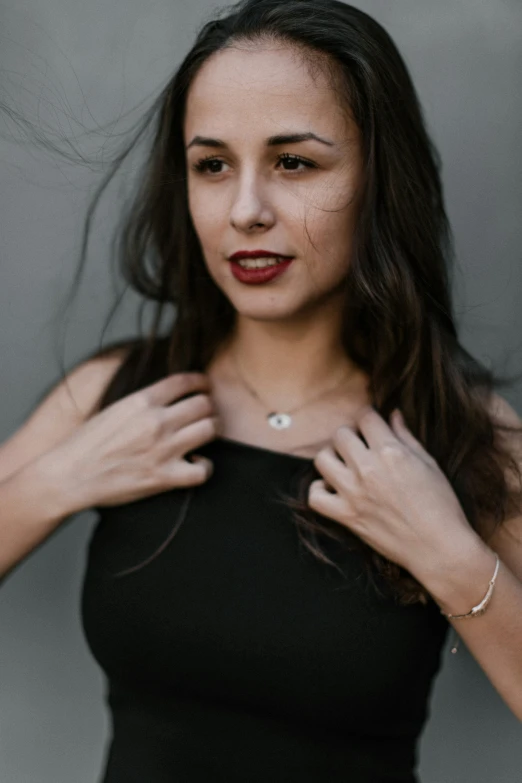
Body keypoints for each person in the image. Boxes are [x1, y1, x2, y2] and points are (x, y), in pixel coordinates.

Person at [1, 0, 522, 780]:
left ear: (379, 177)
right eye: (212, 165)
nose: (245, 211)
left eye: (294, 162)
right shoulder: (118, 394)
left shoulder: (465, 432)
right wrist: (54, 481)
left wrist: (450, 558)